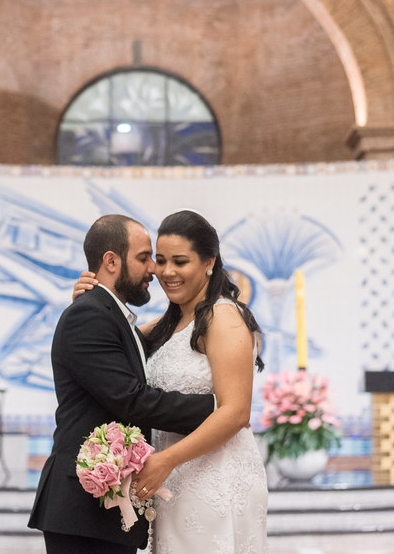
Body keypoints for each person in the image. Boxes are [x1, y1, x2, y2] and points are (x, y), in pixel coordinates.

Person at [71, 210, 268, 553]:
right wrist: (91, 299)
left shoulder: (223, 317)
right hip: (172, 483)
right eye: (159, 261)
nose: (165, 272)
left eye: (180, 261)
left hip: (212, 476)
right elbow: (110, 341)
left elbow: (236, 412)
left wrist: (167, 460)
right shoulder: (168, 324)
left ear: (209, 262)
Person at [28, 214, 216, 554]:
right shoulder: (90, 315)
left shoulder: (109, 315)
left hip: (100, 512)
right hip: (82, 510)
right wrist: (217, 409)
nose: (154, 270)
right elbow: (131, 399)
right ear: (111, 261)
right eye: (144, 258)